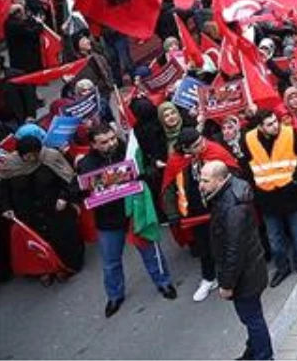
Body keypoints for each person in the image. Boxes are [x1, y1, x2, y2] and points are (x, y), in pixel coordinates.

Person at [77, 124, 176, 316]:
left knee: (151, 251)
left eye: (112, 138)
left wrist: (145, 173)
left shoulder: (130, 152)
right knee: (111, 262)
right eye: (104, 142)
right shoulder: (86, 164)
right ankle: (115, 296)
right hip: (108, 221)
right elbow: (79, 190)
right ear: (93, 145)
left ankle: (164, 283)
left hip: (134, 213)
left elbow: (148, 171)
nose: (111, 144)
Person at [200, 161, 272, 361]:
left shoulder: (232, 207)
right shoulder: (232, 193)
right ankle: (254, 351)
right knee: (251, 317)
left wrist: (227, 284)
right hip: (250, 270)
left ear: (221, 179)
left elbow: (234, 251)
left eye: (206, 180)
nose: (201, 184)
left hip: (245, 275)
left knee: (252, 319)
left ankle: (264, 356)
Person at [162, 127, 240, 301]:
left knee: (227, 245)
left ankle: (232, 278)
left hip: (219, 210)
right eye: (197, 145)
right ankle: (209, 278)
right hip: (194, 215)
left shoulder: (214, 151)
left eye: (202, 140)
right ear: (186, 149)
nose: (203, 145)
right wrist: (173, 214)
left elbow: (233, 174)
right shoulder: (177, 161)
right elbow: (169, 188)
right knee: (204, 249)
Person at [0, 132, 85, 282]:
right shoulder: (10, 165)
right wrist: (6, 207)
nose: (33, 159)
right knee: (38, 244)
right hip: (28, 213)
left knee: (63, 240)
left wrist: (64, 197)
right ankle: (46, 270)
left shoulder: (50, 157)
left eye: (35, 154)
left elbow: (70, 179)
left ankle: (65, 267)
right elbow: (4, 190)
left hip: (55, 208)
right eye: (28, 156)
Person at [243, 110, 297, 287]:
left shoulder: (289, 133)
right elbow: (246, 166)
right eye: (270, 124)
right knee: (275, 240)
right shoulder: (248, 139)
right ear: (260, 127)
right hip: (266, 197)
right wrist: (255, 187)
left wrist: (295, 179)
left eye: (275, 121)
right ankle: (283, 268)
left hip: (290, 194)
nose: (275, 126)